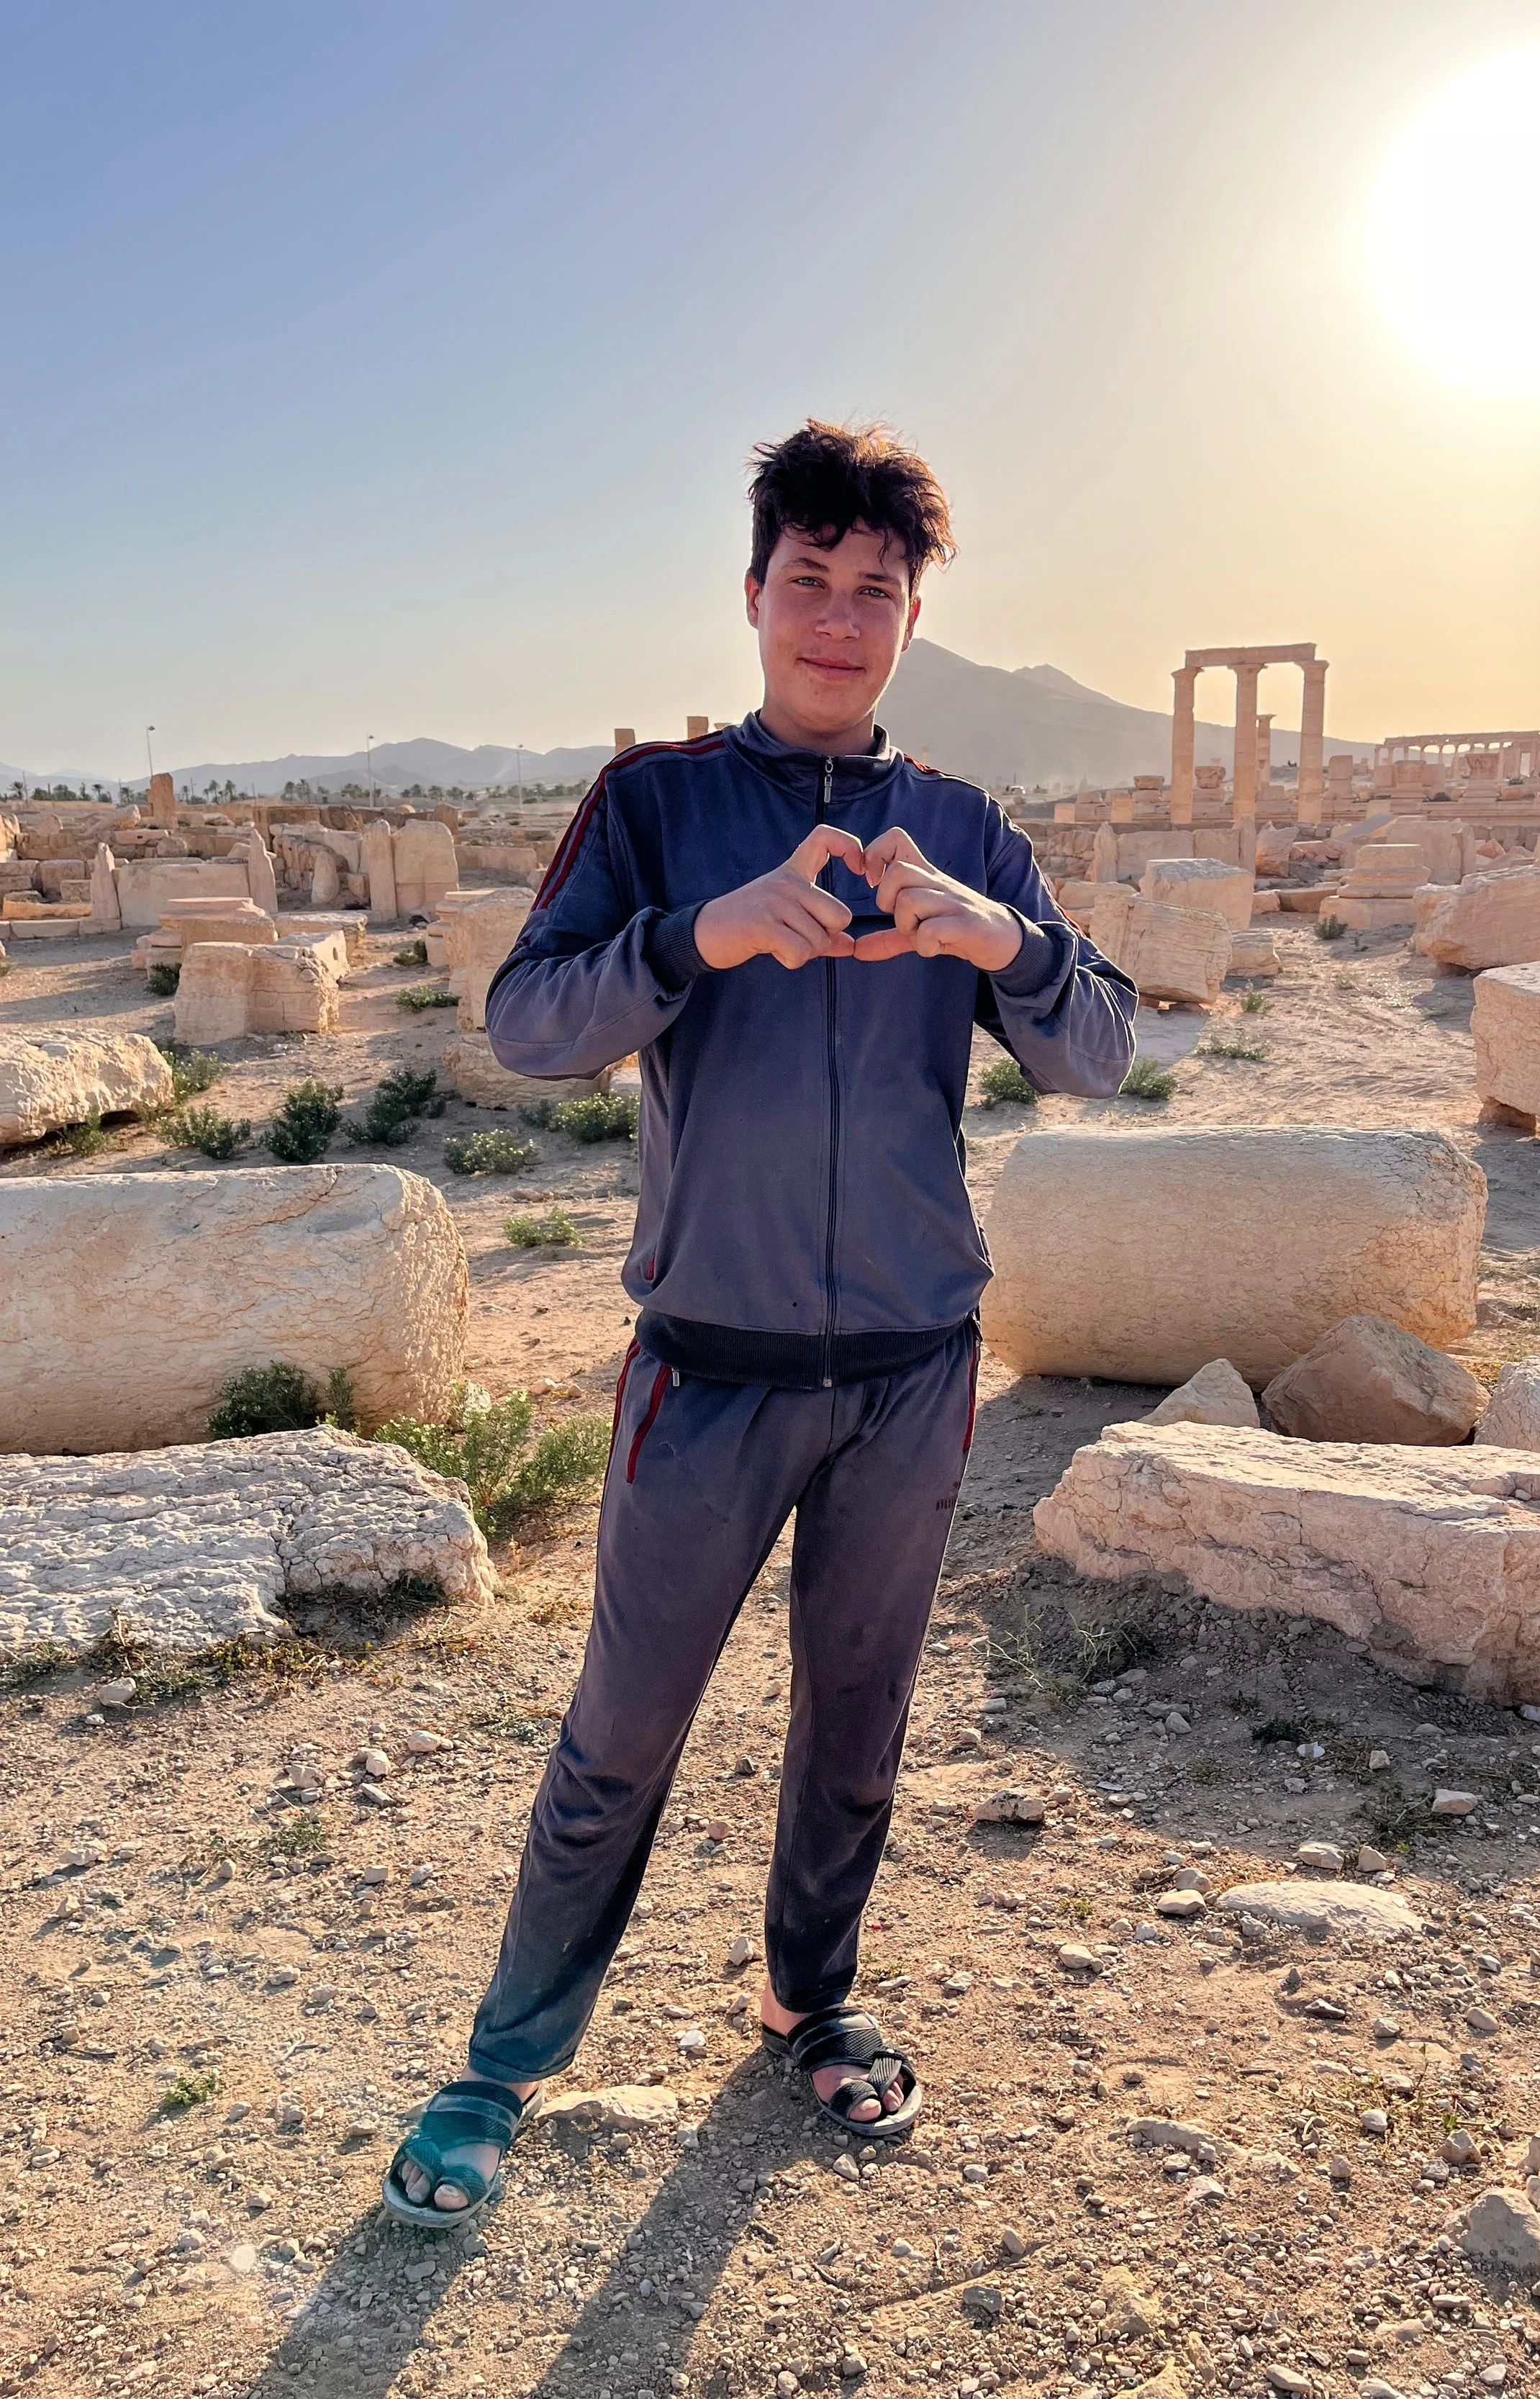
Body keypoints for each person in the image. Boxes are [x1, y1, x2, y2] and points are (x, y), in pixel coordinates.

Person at [384, 419, 1136, 2226]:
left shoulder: (963, 826)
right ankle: (504, 2059)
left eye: (873, 591)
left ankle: (811, 1995)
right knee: (619, 1728)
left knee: (856, 1720)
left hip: (907, 1370)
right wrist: (698, 935)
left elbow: (1101, 1048)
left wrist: (998, 943)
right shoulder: (653, 803)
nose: (837, 616)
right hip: (703, 1369)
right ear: (752, 596)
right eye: (807, 581)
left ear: (907, 619)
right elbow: (525, 1022)